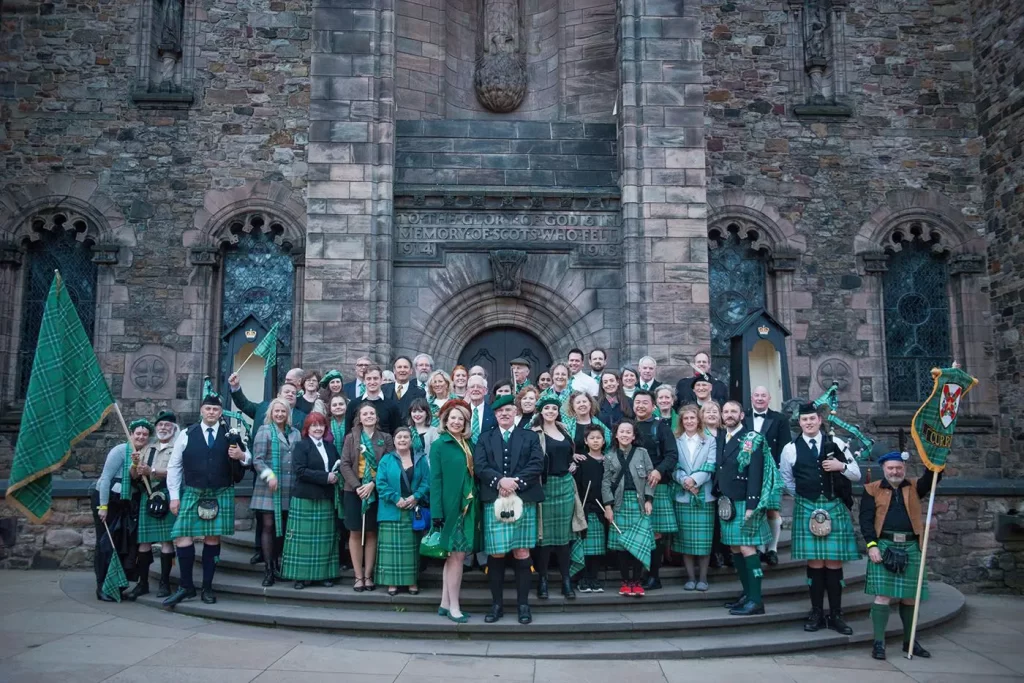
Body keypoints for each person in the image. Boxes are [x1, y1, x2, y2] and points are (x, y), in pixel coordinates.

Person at [779, 402, 861, 634]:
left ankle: (836, 614)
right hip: (807, 506)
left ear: (819, 420)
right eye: (804, 420)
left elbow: (855, 474)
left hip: (834, 505)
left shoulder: (837, 444)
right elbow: (786, 480)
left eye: (812, 419)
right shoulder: (790, 449)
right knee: (815, 563)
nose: (809, 423)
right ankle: (816, 612)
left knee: (834, 563)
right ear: (800, 423)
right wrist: (805, 496)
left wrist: (840, 465)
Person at [164, 391, 249, 607]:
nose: (211, 412)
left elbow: (248, 458)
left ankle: (207, 588)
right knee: (183, 536)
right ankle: (186, 586)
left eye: (216, 409)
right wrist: (174, 496)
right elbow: (174, 466)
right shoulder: (186, 434)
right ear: (201, 410)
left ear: (221, 412)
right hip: (193, 492)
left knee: (212, 539)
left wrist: (241, 456)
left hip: (220, 491)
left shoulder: (231, 434)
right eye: (208, 409)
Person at [474, 395, 544, 624]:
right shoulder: (485, 438)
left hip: (523, 499)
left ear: (515, 412)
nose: (504, 414)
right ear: (495, 414)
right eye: (500, 411)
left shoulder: (529, 436)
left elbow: (537, 464)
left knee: (522, 553)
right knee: (496, 553)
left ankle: (524, 606)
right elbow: (480, 465)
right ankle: (497, 605)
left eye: (508, 410)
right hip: (495, 500)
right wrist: (499, 482)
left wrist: (515, 483)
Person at [861, 451, 938, 660]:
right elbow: (866, 521)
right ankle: (878, 643)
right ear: (884, 469)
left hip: (912, 546)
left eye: (899, 468)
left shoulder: (914, 486)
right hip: (884, 545)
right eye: (891, 468)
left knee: (911, 597)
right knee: (882, 596)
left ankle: (910, 642)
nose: (895, 471)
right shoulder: (871, 489)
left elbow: (933, 478)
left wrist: (935, 456)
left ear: (904, 468)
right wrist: (872, 546)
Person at [715, 400, 770, 616]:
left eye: (733, 411)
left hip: (744, 502)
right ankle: (747, 594)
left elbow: (756, 473)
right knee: (736, 548)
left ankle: (756, 600)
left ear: (741, 415)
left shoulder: (752, 438)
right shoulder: (721, 436)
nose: (729, 415)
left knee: (748, 548)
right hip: (728, 503)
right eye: (725, 411)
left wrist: (752, 505)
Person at [429, 400, 480, 623]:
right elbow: (435, 480)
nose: (457, 422)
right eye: (453, 418)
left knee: (453, 557)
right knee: (456, 557)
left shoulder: (470, 443)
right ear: (445, 421)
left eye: (461, 419)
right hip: (450, 508)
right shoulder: (440, 444)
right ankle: (455, 607)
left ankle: (444, 603)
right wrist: (437, 512)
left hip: (468, 505)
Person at [281, 412, 341, 589]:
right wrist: (325, 477)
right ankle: (300, 577)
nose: (318, 428)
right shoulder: (301, 446)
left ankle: (323, 576)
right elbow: (300, 471)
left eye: (321, 425)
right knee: (302, 542)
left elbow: (337, 466)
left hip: (325, 498)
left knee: (324, 541)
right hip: (305, 498)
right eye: (314, 425)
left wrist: (335, 476)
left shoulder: (330, 446)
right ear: (307, 428)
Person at [94, 418, 150, 601]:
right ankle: (101, 587)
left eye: (145, 434)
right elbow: (104, 479)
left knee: (121, 545)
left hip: (126, 504)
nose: (141, 437)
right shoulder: (119, 451)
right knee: (106, 544)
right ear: (131, 434)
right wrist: (103, 507)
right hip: (109, 500)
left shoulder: (144, 454)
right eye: (138, 433)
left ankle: (116, 584)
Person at [125, 411, 179, 601]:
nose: (163, 427)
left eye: (167, 425)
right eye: (160, 424)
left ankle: (164, 583)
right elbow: (134, 476)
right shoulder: (148, 448)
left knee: (166, 541)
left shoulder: (178, 447)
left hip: (165, 494)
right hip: (148, 496)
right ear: (156, 428)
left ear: (174, 428)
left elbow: (176, 472)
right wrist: (134, 465)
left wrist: (152, 470)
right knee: (144, 542)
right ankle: (143, 583)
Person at [341, 402, 395, 591]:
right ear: (359, 418)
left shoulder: (386, 438)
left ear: (377, 417)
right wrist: (358, 486)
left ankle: (368, 575)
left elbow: (388, 464)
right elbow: (345, 464)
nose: (369, 416)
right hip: (354, 491)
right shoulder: (351, 437)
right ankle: (357, 576)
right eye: (365, 413)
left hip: (376, 489)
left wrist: (372, 484)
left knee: (372, 531)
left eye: (372, 413)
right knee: (355, 531)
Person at [630, 390, 679, 590]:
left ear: (653, 406)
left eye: (645, 402)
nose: (640, 406)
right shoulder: (628, 427)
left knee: (655, 533)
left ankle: (653, 576)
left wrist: (659, 471)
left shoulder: (661, 427)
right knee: (638, 532)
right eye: (637, 402)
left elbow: (672, 455)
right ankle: (639, 574)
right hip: (633, 487)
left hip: (655, 485)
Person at [251, 397, 302, 586]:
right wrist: (269, 476)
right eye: (276, 411)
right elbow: (257, 460)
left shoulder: (295, 433)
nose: (280, 414)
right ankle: (268, 569)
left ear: (288, 414)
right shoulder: (264, 431)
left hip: (289, 487)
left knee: (285, 527)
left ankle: (280, 564)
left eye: (283, 411)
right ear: (271, 413)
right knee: (269, 526)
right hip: (269, 487)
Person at [532, 396, 577, 600]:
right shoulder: (534, 433)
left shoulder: (564, 430)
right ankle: (543, 580)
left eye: (554, 408)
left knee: (564, 538)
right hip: (546, 487)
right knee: (544, 537)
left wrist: (572, 464)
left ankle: (566, 580)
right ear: (541, 411)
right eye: (547, 408)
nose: (551, 411)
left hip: (565, 486)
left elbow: (569, 454)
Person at [603, 420, 655, 597]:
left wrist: (649, 499)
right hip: (619, 503)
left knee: (639, 544)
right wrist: (608, 506)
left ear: (633, 436)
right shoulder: (609, 455)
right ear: (616, 435)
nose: (624, 435)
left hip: (639, 503)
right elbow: (605, 482)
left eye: (628, 432)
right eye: (621, 432)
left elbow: (650, 476)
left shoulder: (642, 453)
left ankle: (637, 581)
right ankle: (625, 582)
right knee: (622, 546)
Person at [376, 427, 429, 595]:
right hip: (391, 510)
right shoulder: (386, 459)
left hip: (413, 509)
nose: (403, 440)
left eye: (406, 437)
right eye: (399, 437)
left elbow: (427, 482)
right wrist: (395, 498)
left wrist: (415, 497)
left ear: (411, 440)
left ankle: (411, 582)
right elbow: (381, 483)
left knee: (411, 550)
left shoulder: (420, 459)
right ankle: (392, 583)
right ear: (394, 439)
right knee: (391, 551)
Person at [743, 385, 791, 566]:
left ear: (769, 398)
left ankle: (772, 549)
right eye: (757, 395)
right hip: (748, 470)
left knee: (772, 510)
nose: (760, 398)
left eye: (764, 395)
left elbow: (785, 447)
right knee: (755, 510)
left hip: (771, 471)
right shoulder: (743, 416)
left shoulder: (779, 419)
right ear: (752, 398)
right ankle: (760, 548)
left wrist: (779, 471)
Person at [671, 405, 716, 592]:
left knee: (704, 541)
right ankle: (690, 578)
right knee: (686, 541)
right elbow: (673, 464)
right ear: (681, 421)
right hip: (683, 495)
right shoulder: (675, 440)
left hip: (704, 495)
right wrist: (685, 481)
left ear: (699, 420)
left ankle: (703, 578)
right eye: (686, 419)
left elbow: (711, 464)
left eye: (692, 418)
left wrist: (695, 481)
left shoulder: (710, 440)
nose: (689, 421)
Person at [574, 424, 608, 593]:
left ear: (604, 441)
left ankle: (594, 578)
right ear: (586, 441)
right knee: (586, 546)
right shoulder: (581, 461)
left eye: (598, 438)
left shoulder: (608, 461)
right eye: (592, 438)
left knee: (598, 547)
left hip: (603, 508)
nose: (595, 441)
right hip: (585, 508)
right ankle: (584, 578)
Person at [345, 365, 401, 435]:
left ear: (381, 380)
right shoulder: (353, 404)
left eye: (375, 378)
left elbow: (396, 433)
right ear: (364, 381)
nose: (372, 382)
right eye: (369, 379)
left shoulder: (392, 405)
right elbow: (348, 433)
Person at [465, 375, 496, 442]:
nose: (475, 389)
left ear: (485, 391)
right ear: (467, 391)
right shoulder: (462, 412)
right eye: (472, 387)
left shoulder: (494, 413)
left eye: (479, 387)